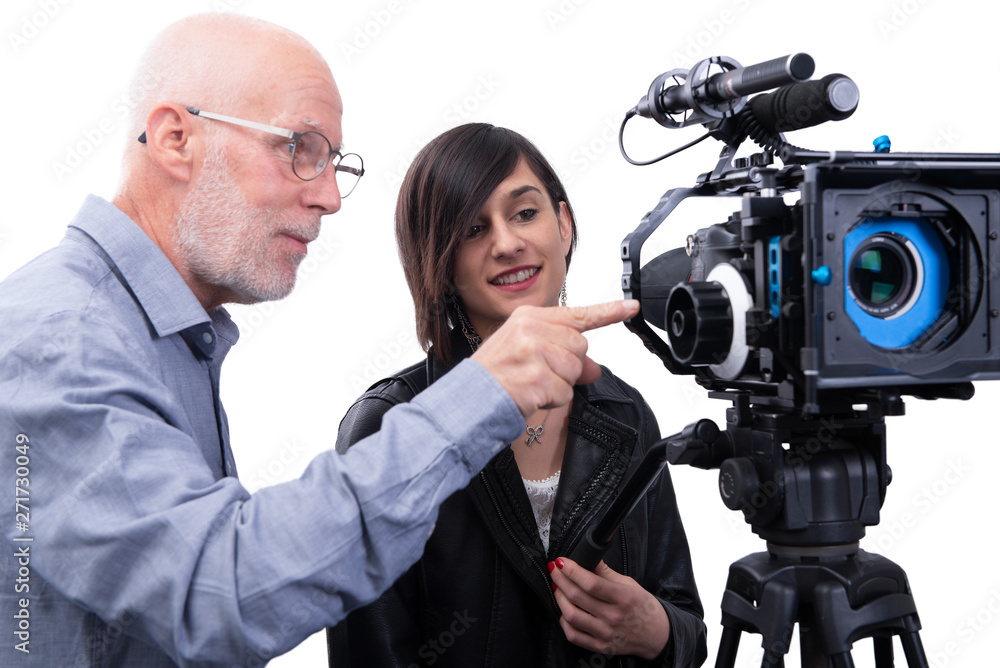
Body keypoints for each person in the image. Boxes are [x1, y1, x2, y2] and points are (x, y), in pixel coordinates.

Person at [0, 15, 639, 667]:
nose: (331, 197)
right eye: (298, 148)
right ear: (174, 138)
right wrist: (479, 395)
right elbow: (220, 594)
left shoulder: (164, 337)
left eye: (335, 162)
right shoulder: (62, 340)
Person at [327, 123, 707, 667]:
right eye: (472, 229)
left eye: (525, 213)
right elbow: (370, 653)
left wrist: (658, 630)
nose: (507, 244)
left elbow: (686, 619)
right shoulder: (389, 425)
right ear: (439, 261)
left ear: (564, 224)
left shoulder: (627, 414)